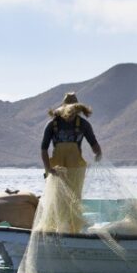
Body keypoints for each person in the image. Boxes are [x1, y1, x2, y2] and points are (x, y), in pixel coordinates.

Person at [40, 92, 102, 233]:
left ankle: (72, 230)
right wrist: (48, 168)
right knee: (57, 200)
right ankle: (56, 228)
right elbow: (43, 149)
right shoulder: (52, 124)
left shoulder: (83, 124)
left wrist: (98, 153)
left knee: (74, 200)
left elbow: (94, 144)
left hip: (76, 169)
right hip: (57, 169)